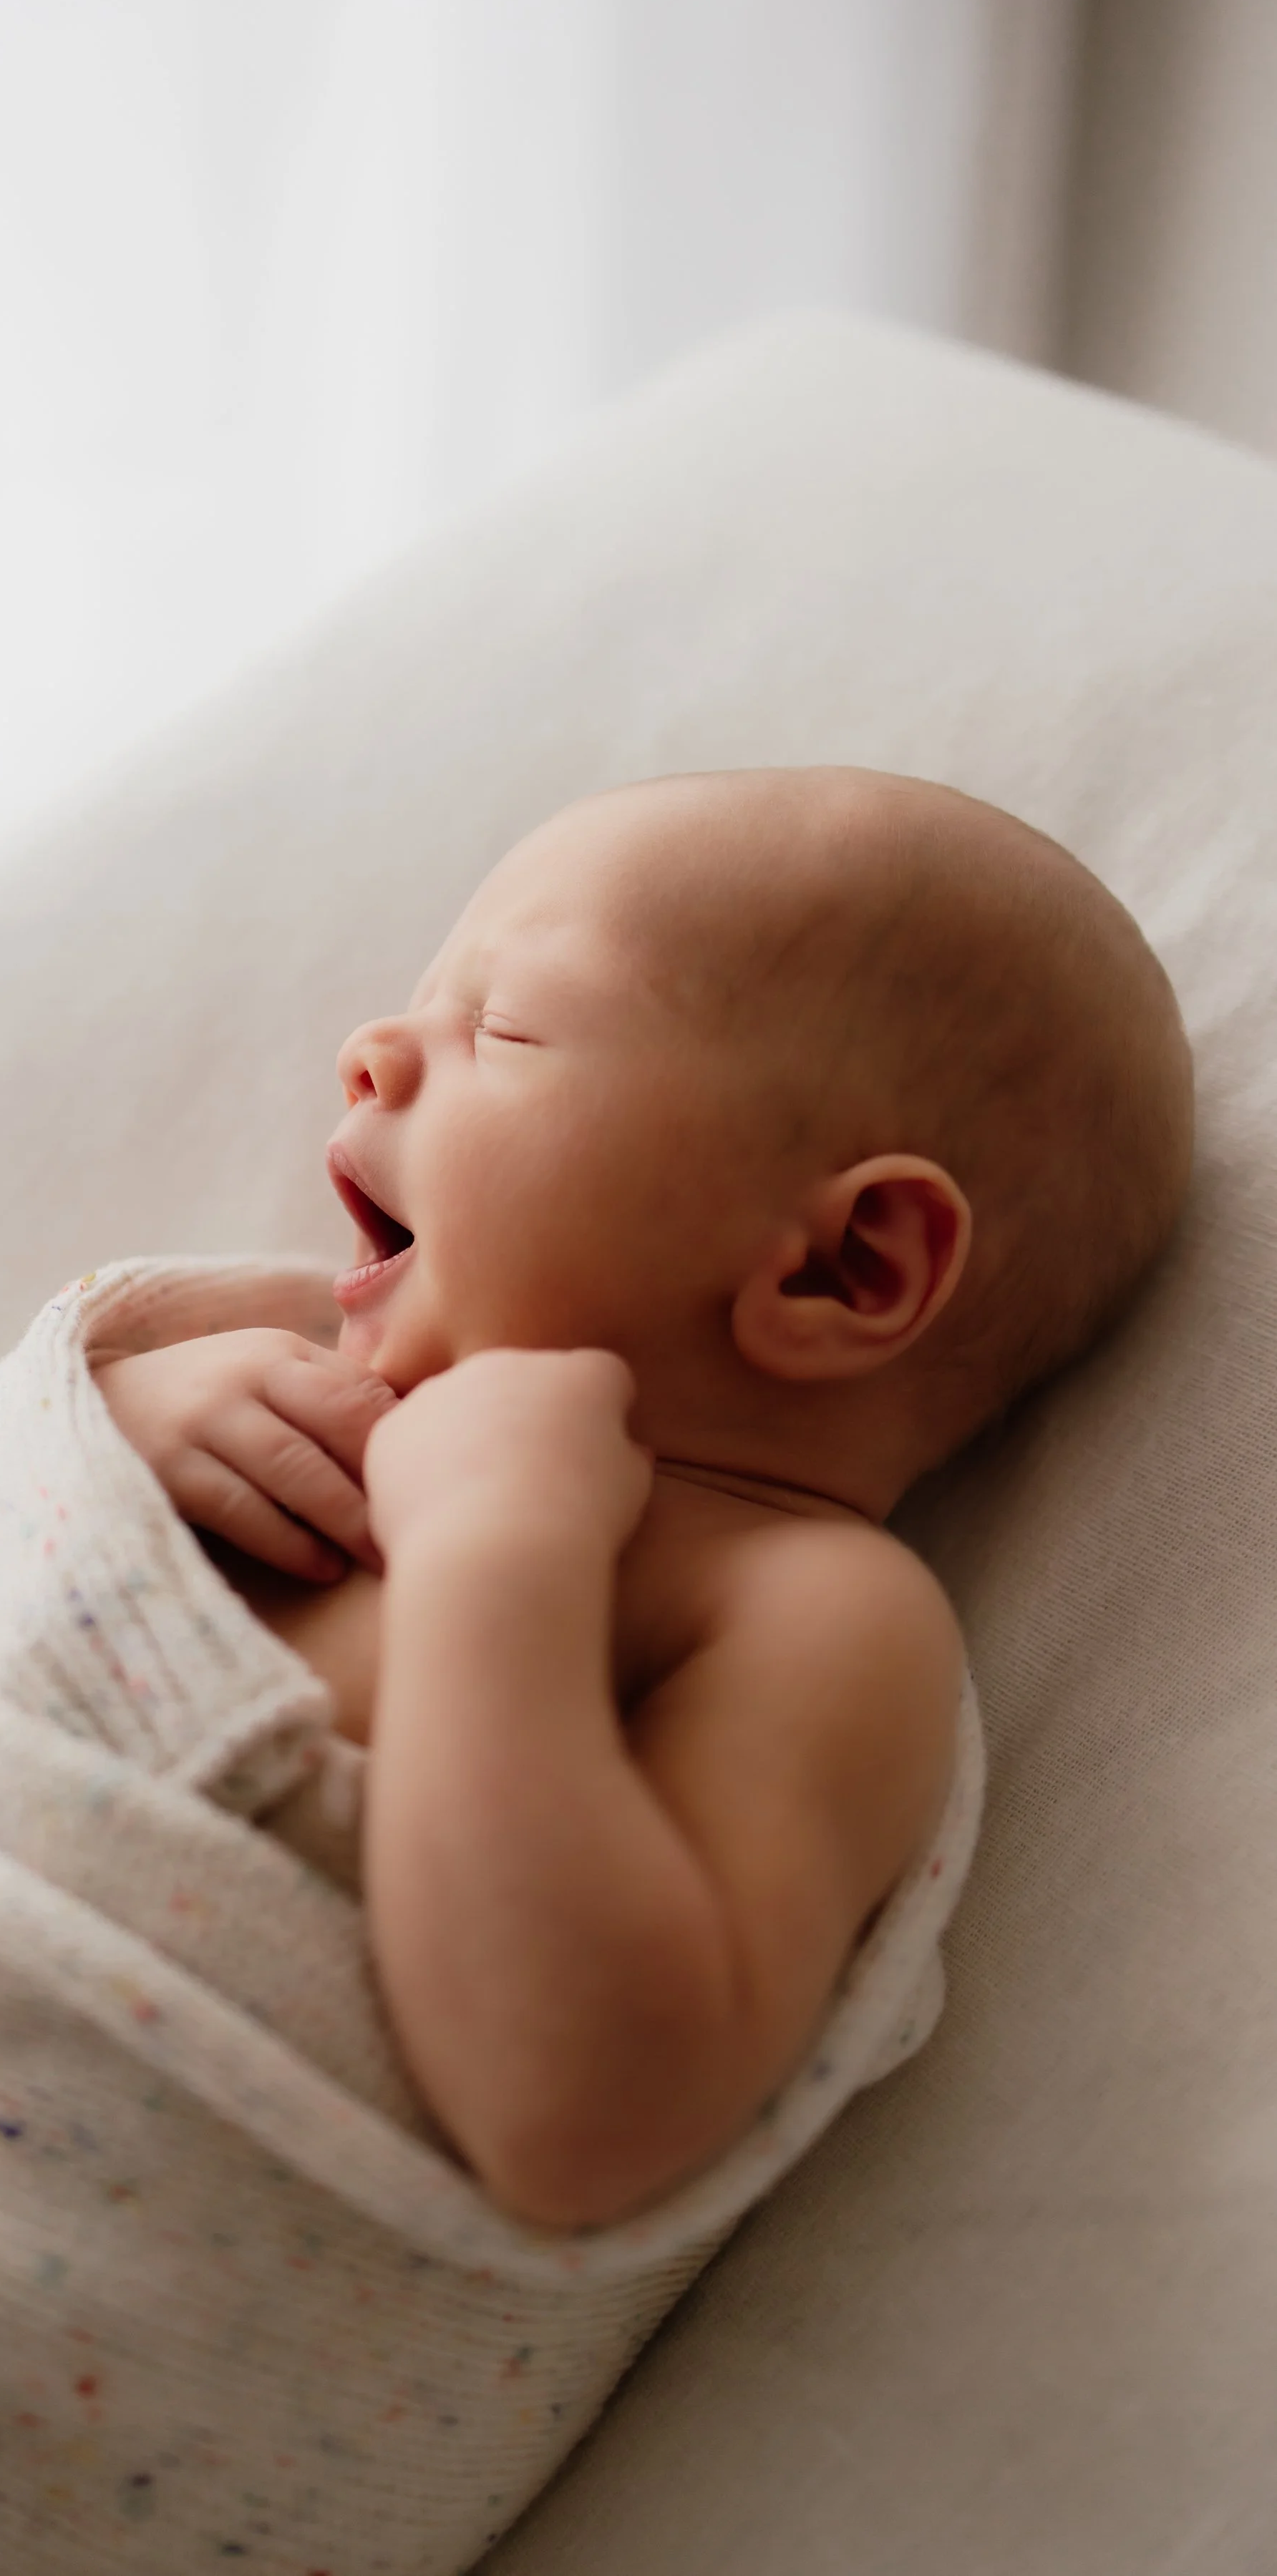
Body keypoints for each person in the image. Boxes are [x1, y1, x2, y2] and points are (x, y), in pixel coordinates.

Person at [95, 764, 1194, 2229]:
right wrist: (109, 1425)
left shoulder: (808, 1614)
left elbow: (583, 2116)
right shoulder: (276, 1366)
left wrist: (493, 1550)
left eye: (504, 1025)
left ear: (839, 1267)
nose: (369, 1050)